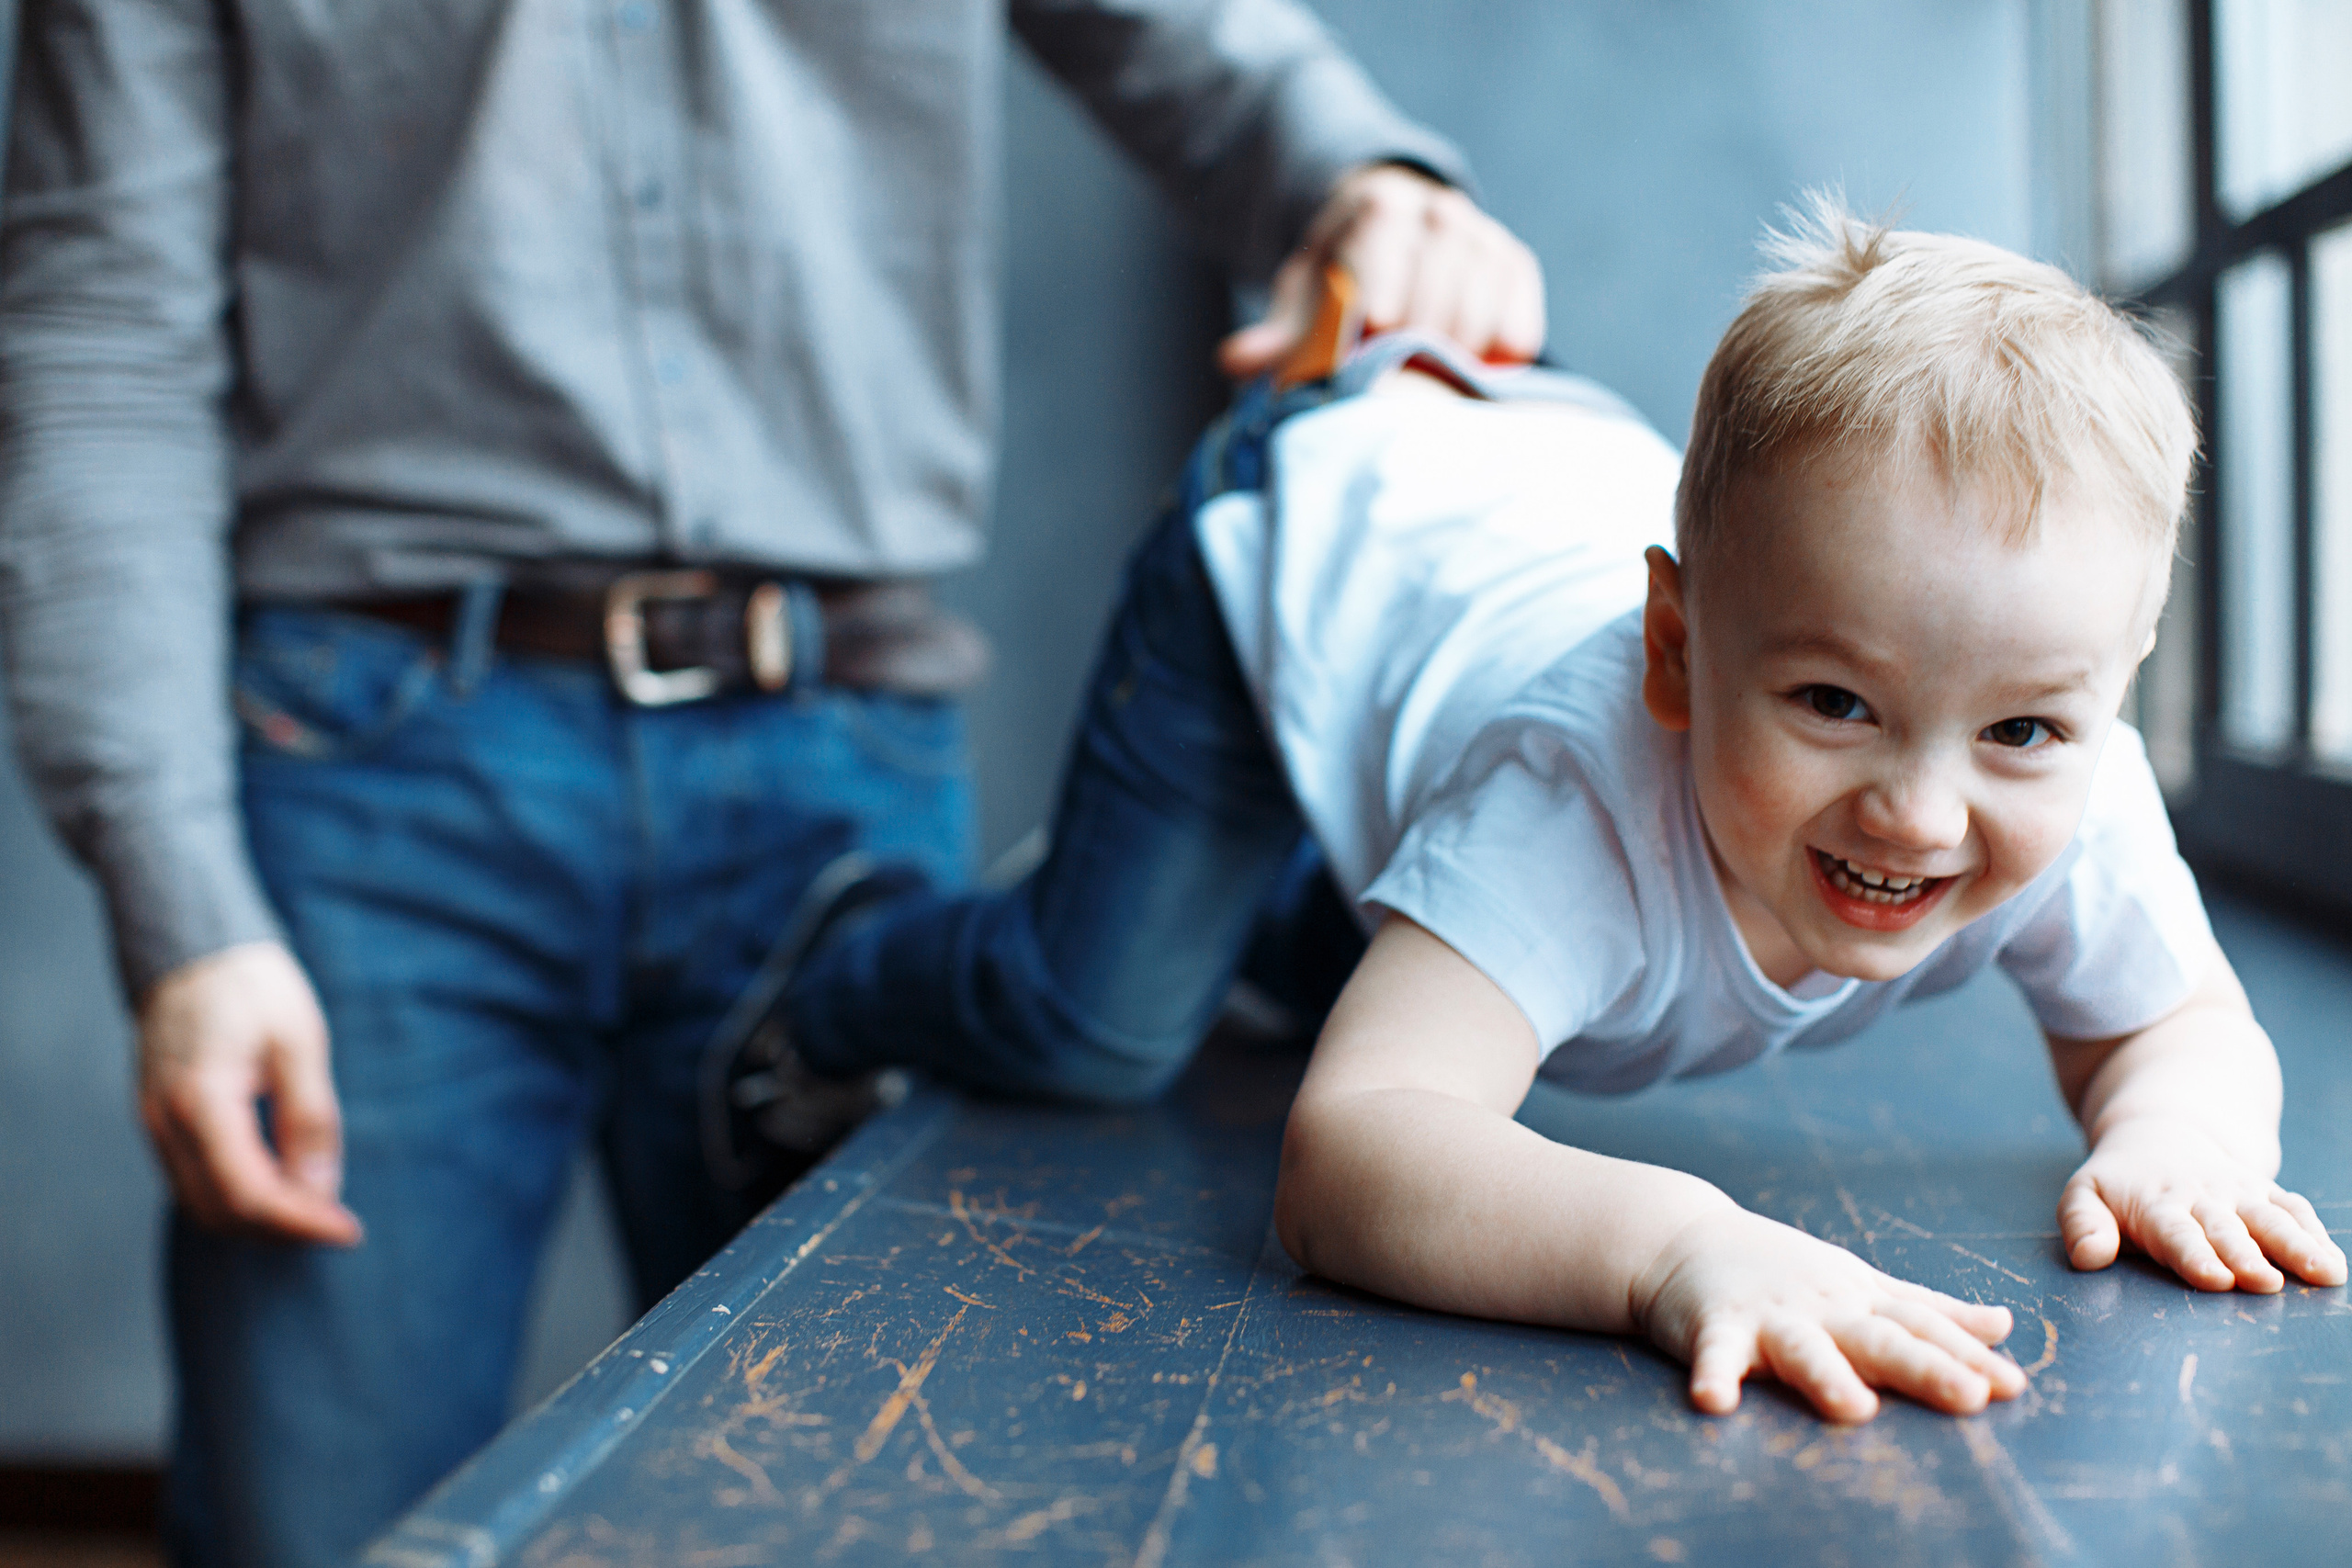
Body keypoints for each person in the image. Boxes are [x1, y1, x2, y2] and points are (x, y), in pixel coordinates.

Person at [0, 3, 1545, 1562]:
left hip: (832, 770)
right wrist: (179, 901)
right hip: (367, 790)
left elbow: (1198, 48)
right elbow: (99, 333)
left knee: (879, 1512)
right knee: (308, 1529)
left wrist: (1371, 173)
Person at [729, 197, 2349, 1424]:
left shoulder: (2068, 763)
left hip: (1524, 477)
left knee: (1373, 966)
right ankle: (837, 960)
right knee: (1099, 1019)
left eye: (2023, 731)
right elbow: (1351, 1155)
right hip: (1321, 509)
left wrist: (2176, 1138)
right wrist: (1669, 1247)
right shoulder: (1575, 795)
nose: (1923, 811)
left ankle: (1356, 920)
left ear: (2108, 696)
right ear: (1674, 652)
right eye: (1832, 705)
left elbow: (2178, 1024)